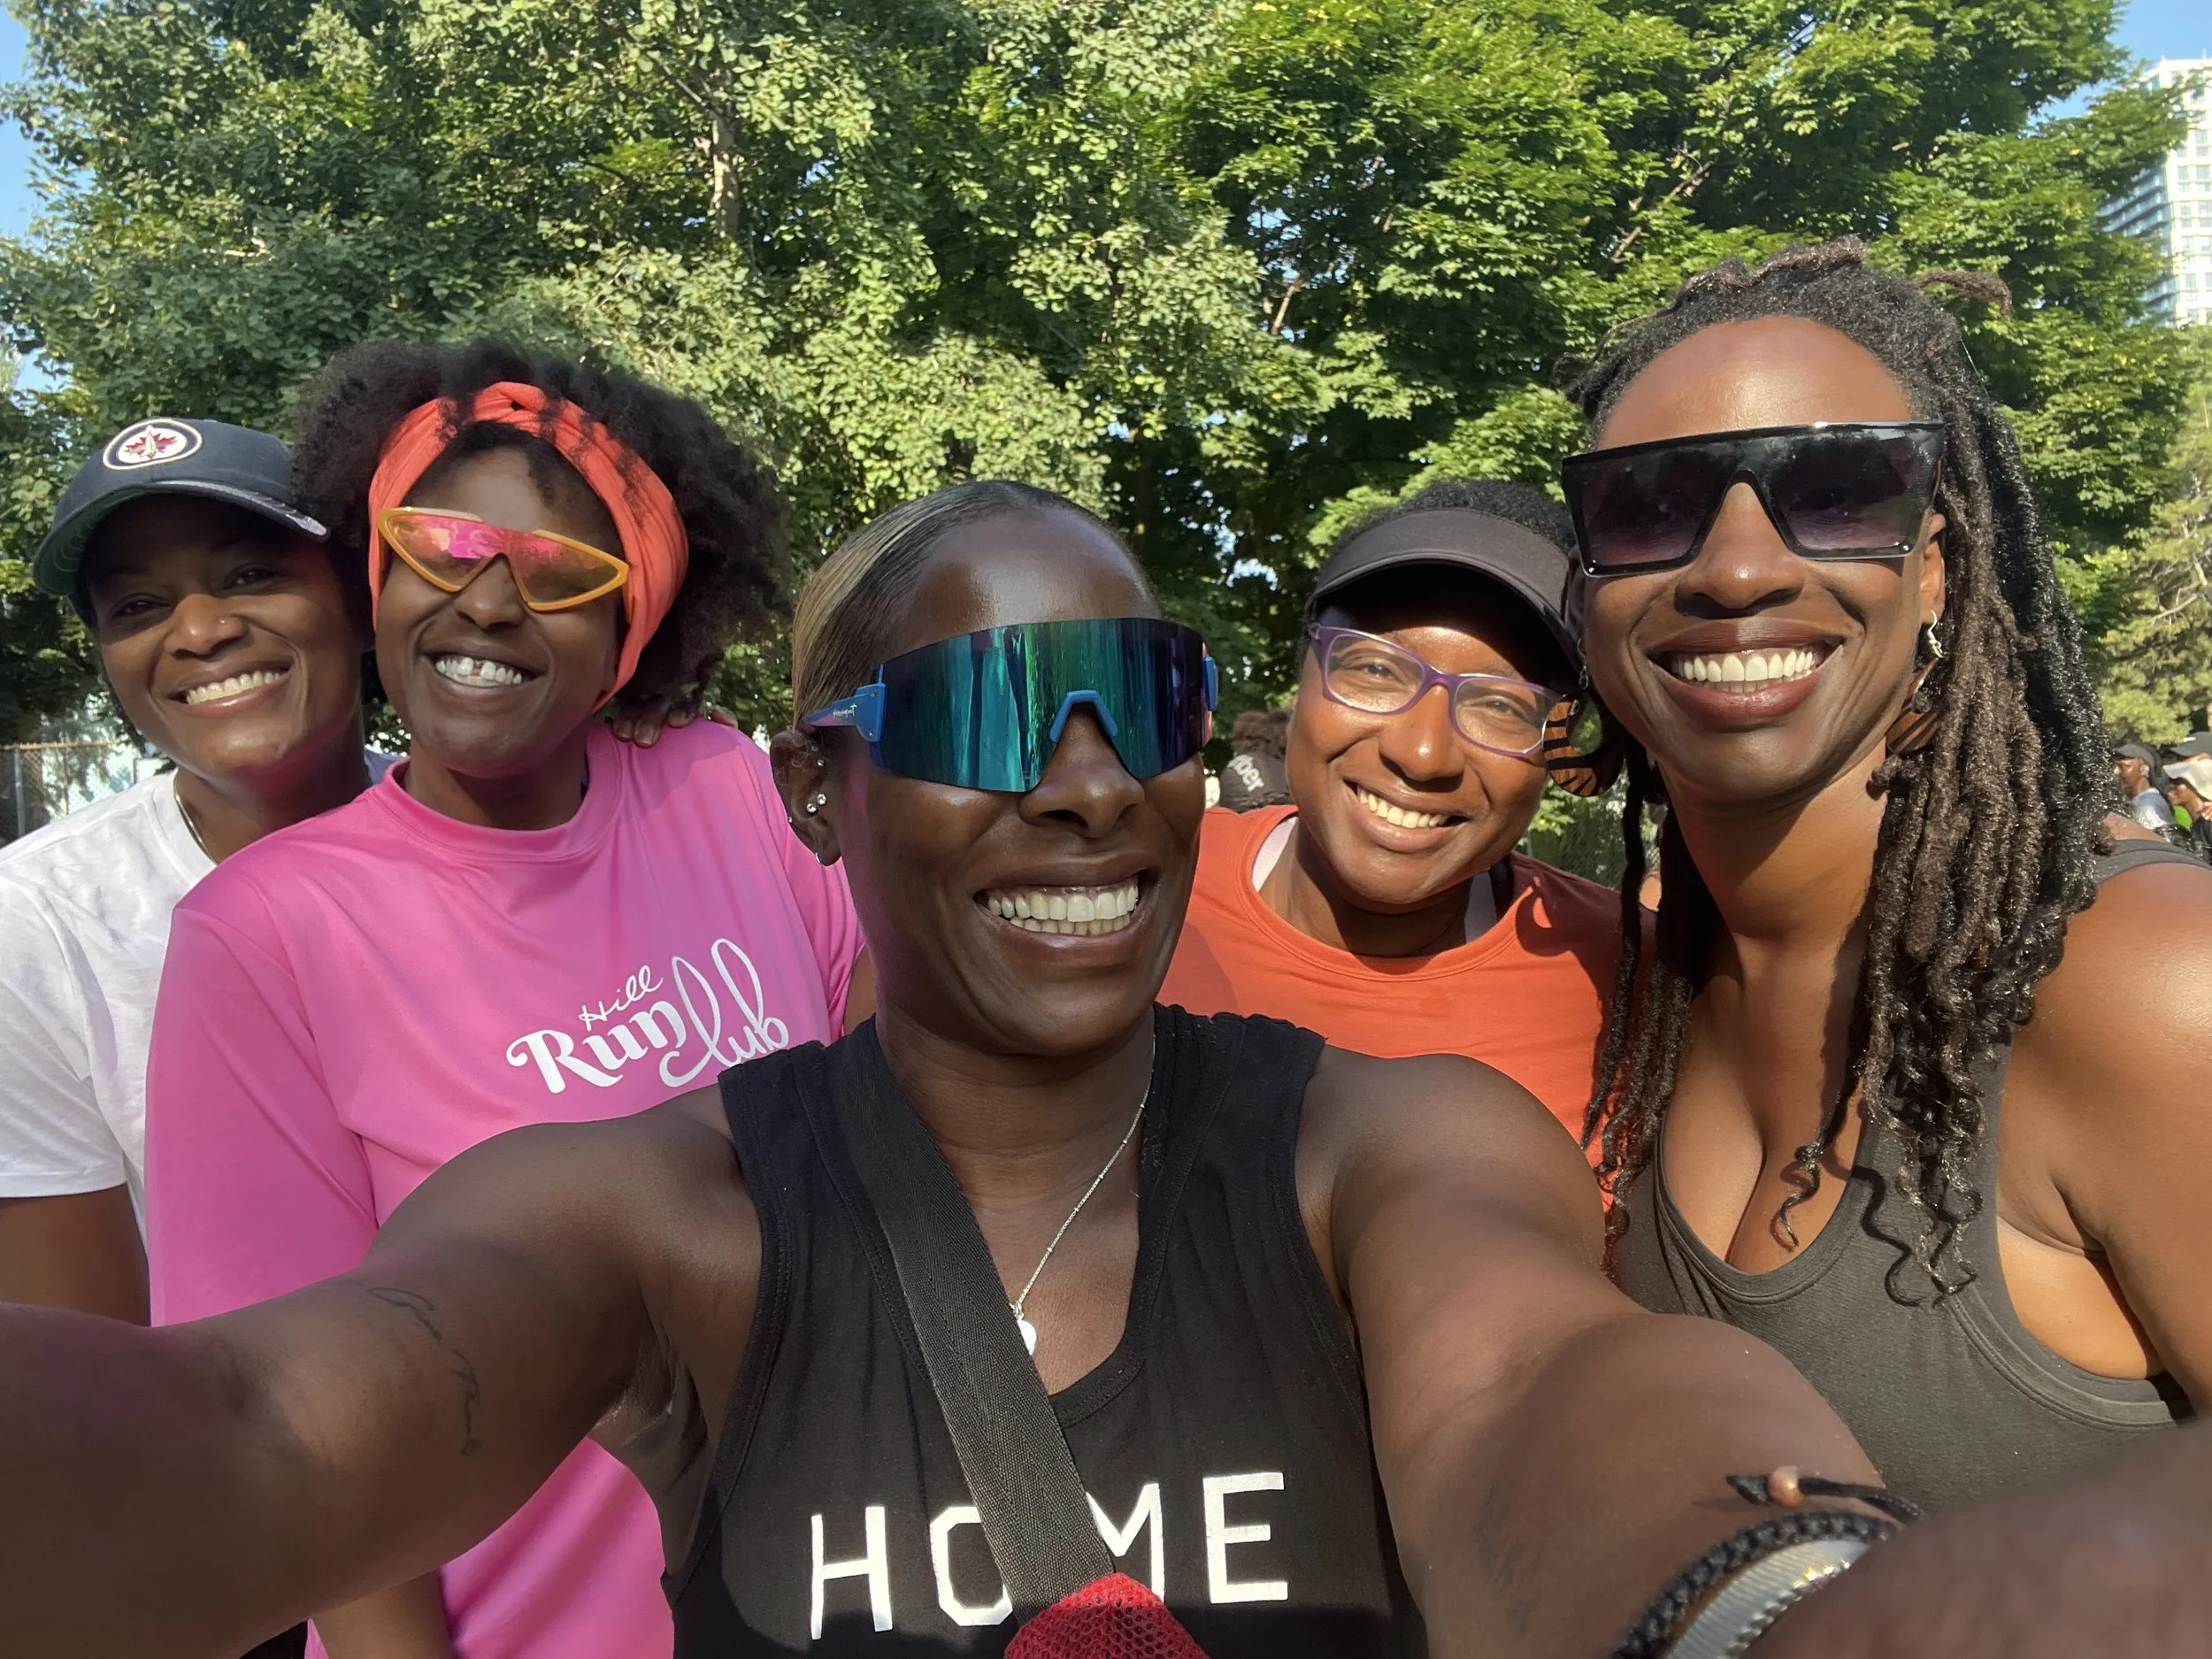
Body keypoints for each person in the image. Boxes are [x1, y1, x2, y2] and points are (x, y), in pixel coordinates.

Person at [7, 476, 2212, 1659]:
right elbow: (262, 1428)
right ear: (818, 789)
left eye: (1137, 699)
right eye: (983, 715)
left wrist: (1783, 1601)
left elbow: (1551, 1392)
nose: (1081, 786)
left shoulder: (1380, 1141)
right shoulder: (657, 1208)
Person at [142, 343, 865, 1659]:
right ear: (378, 570)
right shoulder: (266, 932)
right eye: (445, 542)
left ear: (628, 629)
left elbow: (894, 1123)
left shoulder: (728, 793)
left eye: (560, 574)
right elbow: (292, 1435)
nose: (486, 599)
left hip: (837, 1601)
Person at [1561, 240, 2210, 1512]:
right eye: (1650, 505)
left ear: (1934, 568)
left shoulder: (2148, 981)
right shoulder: (1648, 990)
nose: (1736, 567)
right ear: (1588, 596)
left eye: (1839, 489)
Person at [0, 419, 385, 1325]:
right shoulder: (37, 929)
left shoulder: (488, 835)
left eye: (252, 575)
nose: (202, 631)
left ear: (362, 605)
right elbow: (96, 1368)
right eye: (137, 607)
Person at [1161, 482, 1617, 1138]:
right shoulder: (1137, 883)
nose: (1424, 753)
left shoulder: (1624, 985)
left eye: (1503, 705)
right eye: (1375, 670)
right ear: (1302, 678)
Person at [2114, 741, 2177, 833]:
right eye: (2114, 766)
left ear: (2144, 770)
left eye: (2122, 766)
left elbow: (2153, 845)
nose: (2115, 772)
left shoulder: (2148, 807)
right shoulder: (2138, 802)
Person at [2165, 757, 2212, 863]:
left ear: (2197, 786)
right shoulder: (2199, 823)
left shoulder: (2208, 822)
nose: (2170, 786)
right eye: (2170, 781)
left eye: (2177, 781)